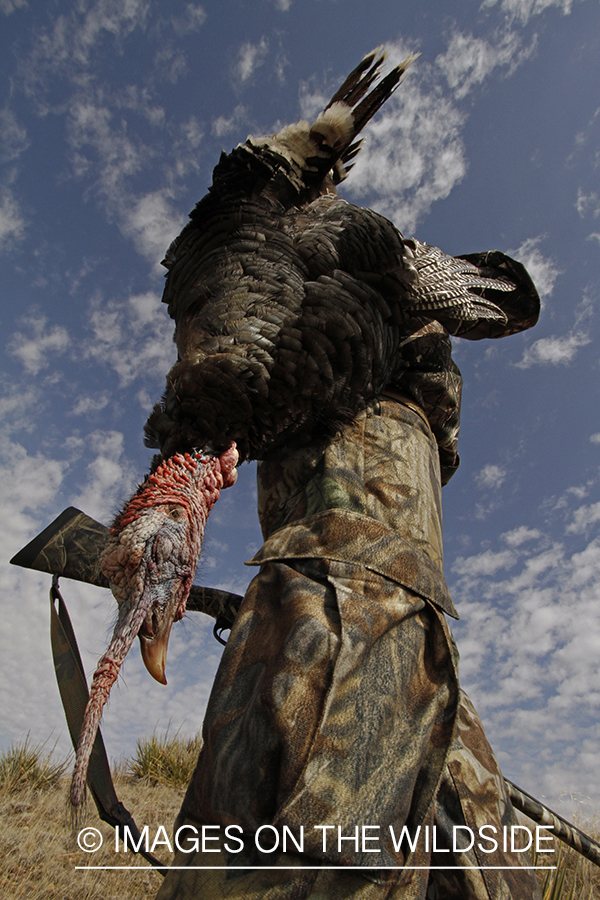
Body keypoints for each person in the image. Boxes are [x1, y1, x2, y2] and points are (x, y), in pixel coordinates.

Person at [155, 253, 543, 900]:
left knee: (360, 653)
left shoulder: (349, 289)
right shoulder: (275, 285)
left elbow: (508, 297)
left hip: (366, 513)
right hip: (358, 519)